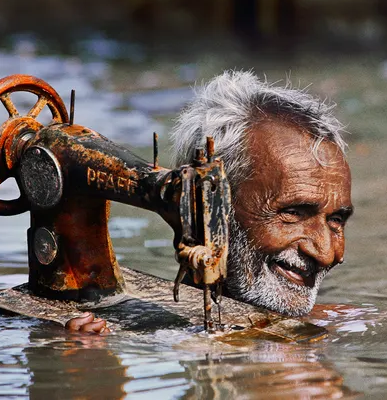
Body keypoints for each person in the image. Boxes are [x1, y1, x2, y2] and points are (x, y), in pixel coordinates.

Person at [68, 70, 353, 333]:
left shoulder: (342, 323)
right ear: (206, 204)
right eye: (293, 212)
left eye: (336, 220)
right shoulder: (101, 335)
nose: (327, 254)